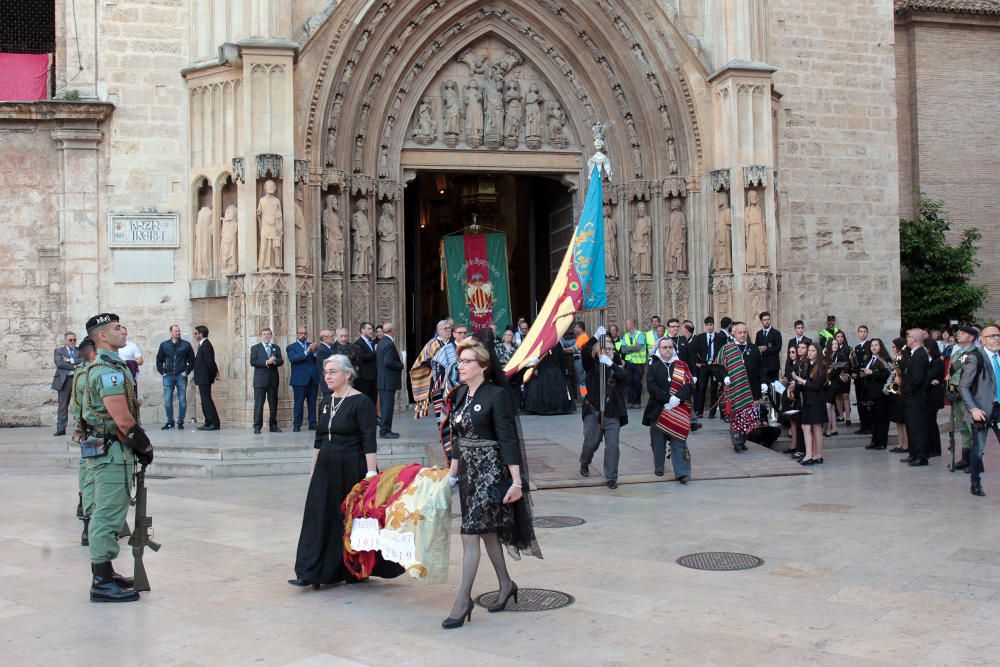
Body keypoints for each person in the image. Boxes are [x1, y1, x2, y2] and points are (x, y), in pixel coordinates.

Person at [443, 339, 541, 629]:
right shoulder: (460, 393)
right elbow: (458, 438)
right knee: (487, 534)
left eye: (467, 362)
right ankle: (506, 584)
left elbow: (508, 439)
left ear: (483, 366)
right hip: (468, 476)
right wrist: (452, 473)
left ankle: (463, 600)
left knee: (470, 533)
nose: (461, 366)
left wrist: (516, 481)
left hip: (490, 473)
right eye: (460, 362)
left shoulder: (497, 395)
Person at [289, 355, 402, 587]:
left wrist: (371, 475)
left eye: (333, 372)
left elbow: (369, 441)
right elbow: (319, 439)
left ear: (347, 374)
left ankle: (355, 569)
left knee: (351, 521)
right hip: (326, 467)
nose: (328, 376)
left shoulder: (362, 402)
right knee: (319, 516)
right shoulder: (325, 402)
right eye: (326, 372)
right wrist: (313, 470)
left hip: (353, 466)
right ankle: (311, 570)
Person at [79, 313, 154, 602]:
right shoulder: (107, 372)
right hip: (112, 453)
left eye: (122, 326)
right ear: (101, 336)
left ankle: (107, 573)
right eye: (116, 328)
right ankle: (100, 581)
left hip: (111, 450)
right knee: (107, 515)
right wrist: (145, 447)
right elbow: (122, 420)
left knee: (109, 512)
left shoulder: (112, 366)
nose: (124, 331)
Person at [579, 330, 628, 489]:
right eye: (604, 348)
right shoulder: (592, 364)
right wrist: (593, 337)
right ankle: (585, 462)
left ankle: (611, 477)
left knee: (612, 445)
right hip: (593, 410)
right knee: (591, 442)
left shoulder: (616, 366)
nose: (608, 351)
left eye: (610, 349)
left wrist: (611, 363)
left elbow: (623, 376)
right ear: (598, 350)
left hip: (612, 412)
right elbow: (585, 351)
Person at [643, 336, 694, 481]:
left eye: (670, 347)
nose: (667, 350)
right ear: (659, 350)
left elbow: (690, 384)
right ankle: (659, 467)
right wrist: (668, 399)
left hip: (678, 410)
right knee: (657, 443)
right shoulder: (653, 367)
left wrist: (677, 399)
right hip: (658, 411)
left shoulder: (681, 366)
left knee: (679, 442)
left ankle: (682, 472)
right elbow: (652, 388)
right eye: (664, 347)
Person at [959, 325, 1000, 497]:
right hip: (981, 410)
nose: (996, 339)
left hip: (998, 409)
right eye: (992, 336)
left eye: (998, 335)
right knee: (978, 449)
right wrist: (973, 408)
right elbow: (963, 387)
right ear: (982, 341)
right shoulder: (976, 358)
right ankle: (975, 483)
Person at [717, 322, 768, 452]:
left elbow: (761, 367)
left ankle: (743, 439)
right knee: (736, 415)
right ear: (733, 333)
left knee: (747, 415)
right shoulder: (727, 348)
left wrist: (763, 382)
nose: (742, 335)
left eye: (745, 332)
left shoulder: (753, 348)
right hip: (734, 389)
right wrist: (724, 376)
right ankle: (737, 441)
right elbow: (719, 366)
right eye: (739, 332)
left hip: (751, 388)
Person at [70, 336, 98, 545]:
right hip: (98, 433)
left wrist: (80, 427)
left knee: (86, 473)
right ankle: (91, 524)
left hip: (86, 431)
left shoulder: (80, 373)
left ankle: (85, 512)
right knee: (95, 477)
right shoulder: (93, 373)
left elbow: (76, 405)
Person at [947, 326, 980, 470]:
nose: (959, 335)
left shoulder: (975, 353)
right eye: (959, 332)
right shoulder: (957, 354)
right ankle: (965, 458)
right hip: (956, 396)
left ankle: (976, 461)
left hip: (969, 396)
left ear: (971, 338)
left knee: (972, 428)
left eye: (963, 333)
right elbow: (950, 375)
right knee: (963, 428)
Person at [792, 342, 828, 465]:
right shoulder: (808, 365)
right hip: (808, 400)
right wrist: (795, 387)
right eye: (809, 351)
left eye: (813, 351)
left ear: (818, 352)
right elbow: (805, 384)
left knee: (815, 427)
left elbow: (817, 386)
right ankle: (812, 454)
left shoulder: (821, 366)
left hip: (817, 401)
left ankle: (815, 455)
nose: (810, 353)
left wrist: (800, 380)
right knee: (808, 427)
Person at [155, 324, 195, 430]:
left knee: (182, 400)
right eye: (176, 331)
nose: (178, 333)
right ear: (171, 333)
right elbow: (159, 359)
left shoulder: (186, 345)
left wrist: (186, 372)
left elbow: (192, 360)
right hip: (168, 376)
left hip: (181, 376)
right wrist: (162, 372)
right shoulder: (164, 345)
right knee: (167, 400)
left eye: (179, 331)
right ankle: (170, 421)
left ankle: (180, 421)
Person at [901, 329, 930, 466]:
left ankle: (920, 456)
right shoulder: (915, 354)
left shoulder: (919, 355)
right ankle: (913, 453)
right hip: (911, 397)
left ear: (915, 339)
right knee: (911, 427)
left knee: (917, 428)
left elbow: (917, 378)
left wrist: (907, 390)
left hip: (915, 398)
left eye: (909, 336)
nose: (907, 339)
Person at [250, 327, 284, 434]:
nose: (266, 336)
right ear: (261, 336)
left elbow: (281, 360)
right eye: (264, 334)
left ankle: (273, 425)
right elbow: (253, 362)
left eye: (268, 334)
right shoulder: (255, 348)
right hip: (260, 381)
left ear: (271, 335)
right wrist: (266, 362)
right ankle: (257, 426)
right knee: (259, 404)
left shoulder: (276, 347)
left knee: (273, 403)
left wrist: (274, 362)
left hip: (273, 380)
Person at [861, 338, 893, 450]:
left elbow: (887, 374)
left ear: (881, 347)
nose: (873, 347)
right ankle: (874, 441)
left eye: (876, 345)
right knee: (874, 418)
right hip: (871, 392)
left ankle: (882, 442)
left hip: (881, 393)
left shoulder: (885, 359)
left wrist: (872, 372)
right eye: (872, 346)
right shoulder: (869, 359)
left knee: (882, 418)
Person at [286, 325, 318, 433]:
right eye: (301, 333)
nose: (303, 335)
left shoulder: (311, 345)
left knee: (312, 402)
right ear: (297, 334)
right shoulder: (291, 347)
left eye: (305, 333)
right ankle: (297, 425)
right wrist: (307, 351)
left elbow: (317, 359)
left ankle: (312, 423)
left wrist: (316, 352)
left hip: (313, 379)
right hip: (299, 380)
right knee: (299, 402)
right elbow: (293, 359)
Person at [376, 321, 404, 439]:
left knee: (385, 407)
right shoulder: (388, 343)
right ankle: (385, 431)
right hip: (388, 381)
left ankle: (385, 429)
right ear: (392, 331)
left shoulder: (382, 342)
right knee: (387, 407)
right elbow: (388, 362)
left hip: (383, 381)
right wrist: (401, 365)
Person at [690, 317, 722, 419]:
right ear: (705, 326)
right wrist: (697, 362)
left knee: (714, 388)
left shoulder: (719, 337)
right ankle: (699, 411)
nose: (709, 327)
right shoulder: (700, 337)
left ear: (714, 325)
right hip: (703, 366)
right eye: (707, 325)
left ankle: (712, 412)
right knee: (702, 388)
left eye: (711, 324)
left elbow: (723, 350)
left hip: (715, 365)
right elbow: (693, 351)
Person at [52, 331, 83, 437]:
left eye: (74, 339)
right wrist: (75, 365)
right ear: (65, 341)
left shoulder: (80, 350)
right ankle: (61, 429)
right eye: (70, 340)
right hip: (64, 381)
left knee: (81, 404)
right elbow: (59, 363)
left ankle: (83, 427)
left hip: (77, 380)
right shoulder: (59, 351)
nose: (73, 342)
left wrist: (70, 360)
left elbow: (83, 361)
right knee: (63, 406)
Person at [192, 325, 220, 431]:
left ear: (201, 334)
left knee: (207, 400)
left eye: (196, 333)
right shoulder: (203, 345)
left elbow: (210, 362)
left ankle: (214, 423)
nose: (195, 335)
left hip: (205, 377)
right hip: (202, 377)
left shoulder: (206, 345)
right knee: (204, 400)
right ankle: (208, 421)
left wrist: (215, 373)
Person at [618, 318, 651, 408]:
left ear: (632, 324)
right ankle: (630, 402)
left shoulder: (640, 334)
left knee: (637, 381)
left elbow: (639, 348)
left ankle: (637, 401)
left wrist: (629, 347)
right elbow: (623, 350)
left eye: (627, 324)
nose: (625, 326)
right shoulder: (626, 336)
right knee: (628, 382)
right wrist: (633, 347)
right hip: (629, 362)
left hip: (639, 363)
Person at [780, 345, 804, 457]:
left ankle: (799, 447)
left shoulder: (801, 365)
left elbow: (800, 382)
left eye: (793, 352)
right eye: (790, 352)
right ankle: (793, 446)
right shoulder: (790, 365)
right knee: (792, 423)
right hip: (790, 395)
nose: (791, 354)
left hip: (797, 396)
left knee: (797, 423)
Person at [924, 337, 945, 459]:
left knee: (931, 422)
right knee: (929, 422)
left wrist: (930, 379)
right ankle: (931, 447)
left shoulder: (938, 361)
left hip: (934, 397)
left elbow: (929, 375)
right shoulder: (929, 360)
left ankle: (935, 449)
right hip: (928, 395)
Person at [888, 337, 910, 456]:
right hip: (896, 391)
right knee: (898, 421)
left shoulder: (905, 359)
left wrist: (899, 378)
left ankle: (906, 444)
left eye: (893, 346)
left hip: (903, 391)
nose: (892, 348)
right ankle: (900, 443)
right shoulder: (896, 359)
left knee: (903, 420)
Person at [853, 325, 873, 435]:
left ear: (867, 333)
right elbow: (855, 363)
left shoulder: (869, 345)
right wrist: (854, 373)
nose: (863, 333)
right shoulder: (857, 347)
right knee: (860, 402)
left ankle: (868, 425)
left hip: (866, 378)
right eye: (860, 332)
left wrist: (864, 372)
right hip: (859, 379)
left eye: (865, 331)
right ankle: (863, 425)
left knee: (867, 402)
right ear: (858, 333)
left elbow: (869, 361)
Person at [354, 322, 378, 405]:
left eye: (372, 329)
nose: (371, 331)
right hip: (365, 378)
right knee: (365, 401)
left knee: (373, 401)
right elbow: (363, 357)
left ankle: (372, 417)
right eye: (369, 329)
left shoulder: (372, 342)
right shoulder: (358, 343)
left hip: (374, 377)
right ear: (362, 330)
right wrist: (376, 352)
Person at [754, 311, 782, 382]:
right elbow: (756, 346)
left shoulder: (776, 333)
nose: (767, 321)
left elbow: (778, 347)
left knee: (774, 388)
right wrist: (758, 349)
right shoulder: (759, 333)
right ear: (761, 321)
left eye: (768, 319)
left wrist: (766, 349)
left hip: (773, 366)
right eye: (764, 320)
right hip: (762, 366)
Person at [831, 332, 852, 428]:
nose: (839, 339)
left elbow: (848, 364)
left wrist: (847, 375)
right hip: (835, 377)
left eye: (841, 337)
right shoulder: (830, 351)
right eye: (837, 337)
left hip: (844, 376)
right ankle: (840, 415)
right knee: (837, 397)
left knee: (845, 396)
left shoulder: (847, 349)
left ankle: (848, 417)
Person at [314, 330, 335, 397]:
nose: (333, 338)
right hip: (328, 384)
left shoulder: (330, 348)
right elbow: (328, 365)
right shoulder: (321, 350)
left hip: (333, 382)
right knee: (329, 405)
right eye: (332, 336)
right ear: (325, 338)